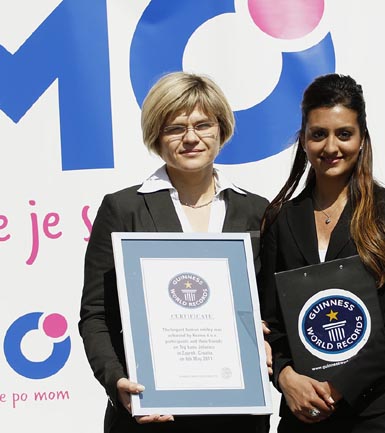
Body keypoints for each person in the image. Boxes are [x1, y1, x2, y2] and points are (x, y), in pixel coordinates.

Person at [78, 71, 270, 433]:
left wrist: (265, 335)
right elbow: (95, 314)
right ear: (156, 135)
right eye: (175, 128)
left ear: (221, 129)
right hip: (150, 413)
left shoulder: (258, 212)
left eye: (203, 124)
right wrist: (116, 380)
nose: (191, 138)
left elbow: (273, 310)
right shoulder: (123, 209)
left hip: (237, 417)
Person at [259, 73, 385, 433]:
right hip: (304, 412)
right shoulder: (280, 219)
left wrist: (340, 386)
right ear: (303, 140)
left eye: (344, 134)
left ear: (362, 139)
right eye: (318, 134)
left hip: (382, 413)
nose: (331, 146)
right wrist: (286, 378)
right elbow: (272, 322)